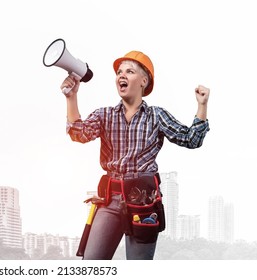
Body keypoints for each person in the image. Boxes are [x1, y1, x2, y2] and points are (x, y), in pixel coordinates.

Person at [61, 51, 210, 260]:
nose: (121, 75)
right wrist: (71, 97)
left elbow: (192, 140)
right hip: (109, 201)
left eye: (129, 71)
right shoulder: (104, 115)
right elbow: (78, 134)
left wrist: (202, 106)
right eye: (119, 72)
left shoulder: (157, 116)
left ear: (144, 81)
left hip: (144, 202)